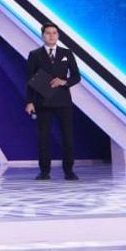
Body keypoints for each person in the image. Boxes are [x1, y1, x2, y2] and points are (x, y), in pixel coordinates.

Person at [24, 22, 82, 180]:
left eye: (54, 33)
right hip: (42, 102)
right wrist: (29, 102)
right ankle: (44, 171)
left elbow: (76, 76)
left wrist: (64, 82)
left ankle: (69, 170)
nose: (51, 35)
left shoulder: (67, 53)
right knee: (43, 137)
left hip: (63, 101)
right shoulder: (34, 54)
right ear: (42, 35)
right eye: (48, 33)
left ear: (58, 35)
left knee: (67, 137)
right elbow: (29, 79)